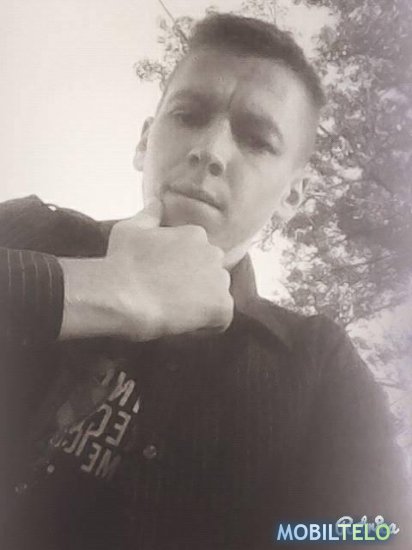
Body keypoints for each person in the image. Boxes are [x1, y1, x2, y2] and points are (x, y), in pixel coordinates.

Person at [0, 13, 410, 550]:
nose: (211, 151)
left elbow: (379, 532)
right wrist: (99, 288)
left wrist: (272, 535)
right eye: (188, 115)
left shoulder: (317, 362)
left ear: (292, 196)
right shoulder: (30, 230)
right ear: (144, 141)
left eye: (257, 140)